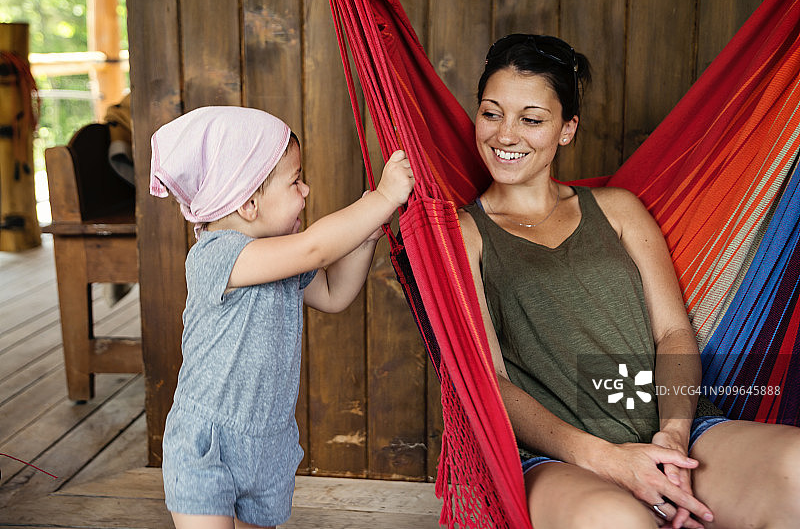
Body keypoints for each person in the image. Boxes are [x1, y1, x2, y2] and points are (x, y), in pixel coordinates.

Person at [457, 34, 800, 529]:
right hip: (559, 458)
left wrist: (674, 438)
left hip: (673, 429)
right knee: (614, 522)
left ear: (567, 129)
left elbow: (673, 334)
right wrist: (610, 460)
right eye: (491, 113)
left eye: (531, 120)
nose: (505, 135)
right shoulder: (466, 234)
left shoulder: (618, 210)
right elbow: (490, 380)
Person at [149, 106, 414, 529]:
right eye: (295, 181)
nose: (306, 190)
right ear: (250, 202)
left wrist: (368, 233)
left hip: (267, 442)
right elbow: (315, 248)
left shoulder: (281, 256)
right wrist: (382, 199)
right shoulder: (217, 256)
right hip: (207, 442)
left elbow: (332, 294)